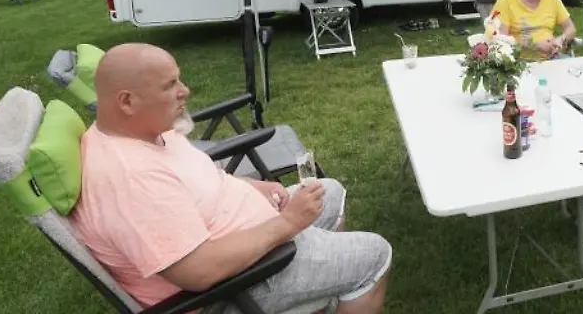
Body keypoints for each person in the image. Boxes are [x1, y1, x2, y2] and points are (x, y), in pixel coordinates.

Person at [69, 43, 391, 313]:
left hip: (247, 242)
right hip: (235, 287)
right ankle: (341, 280)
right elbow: (197, 271)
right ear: (126, 101)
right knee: (374, 255)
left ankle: (322, 290)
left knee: (327, 191)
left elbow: (195, 179)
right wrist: (287, 225)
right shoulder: (130, 178)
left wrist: (252, 187)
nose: (185, 91)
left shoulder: (143, 131)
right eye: (169, 86)